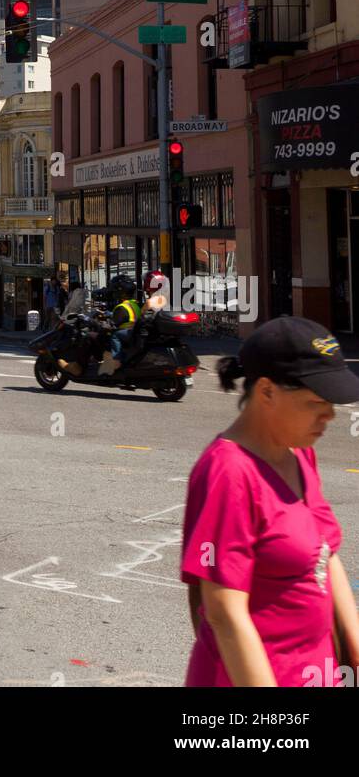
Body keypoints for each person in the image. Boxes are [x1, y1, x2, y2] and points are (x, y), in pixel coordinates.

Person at [181, 318, 359, 687]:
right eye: (316, 403)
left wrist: (355, 651)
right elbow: (225, 614)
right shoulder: (229, 473)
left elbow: (327, 555)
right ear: (266, 392)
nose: (330, 416)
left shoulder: (297, 453)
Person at [102, 275, 142, 373]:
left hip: (128, 332)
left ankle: (116, 360)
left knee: (114, 335)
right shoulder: (134, 303)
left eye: (115, 291)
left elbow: (115, 322)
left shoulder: (121, 306)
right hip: (134, 330)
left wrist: (104, 322)